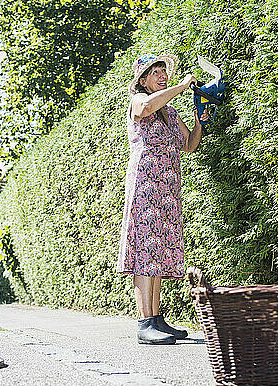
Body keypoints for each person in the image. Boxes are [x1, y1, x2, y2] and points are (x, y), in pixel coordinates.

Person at [117, 53, 209, 345]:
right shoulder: (139, 101)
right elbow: (145, 107)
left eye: (162, 70)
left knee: (157, 253)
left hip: (167, 191)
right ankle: (145, 323)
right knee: (145, 252)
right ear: (142, 81)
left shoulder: (170, 113)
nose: (161, 74)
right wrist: (182, 86)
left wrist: (199, 122)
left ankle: (156, 319)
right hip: (145, 186)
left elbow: (189, 146)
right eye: (154, 72)